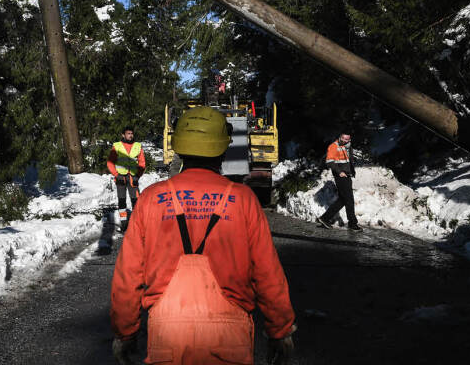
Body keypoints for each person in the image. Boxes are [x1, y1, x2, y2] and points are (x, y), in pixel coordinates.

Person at [110, 106, 296, 365]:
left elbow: (128, 274)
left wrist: (125, 332)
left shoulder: (151, 198)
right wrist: (280, 330)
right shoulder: (243, 199)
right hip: (230, 335)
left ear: (179, 146)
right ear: (222, 147)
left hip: (167, 334)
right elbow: (267, 273)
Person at [317, 133, 361, 231]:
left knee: (343, 200)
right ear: (340, 137)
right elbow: (329, 161)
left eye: (347, 139)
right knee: (349, 200)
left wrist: (352, 170)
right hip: (341, 176)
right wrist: (339, 172)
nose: (345, 140)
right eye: (343, 138)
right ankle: (352, 224)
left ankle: (325, 218)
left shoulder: (347, 146)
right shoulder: (334, 146)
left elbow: (349, 160)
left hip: (347, 175)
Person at [108, 127, 146, 231]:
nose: (130, 135)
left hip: (133, 177)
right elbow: (110, 162)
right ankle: (124, 223)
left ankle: (136, 222)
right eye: (128, 133)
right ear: (123, 135)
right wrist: (116, 174)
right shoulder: (117, 146)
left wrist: (137, 176)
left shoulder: (138, 146)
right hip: (120, 177)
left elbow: (142, 163)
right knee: (122, 200)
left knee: (136, 200)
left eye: (131, 133)